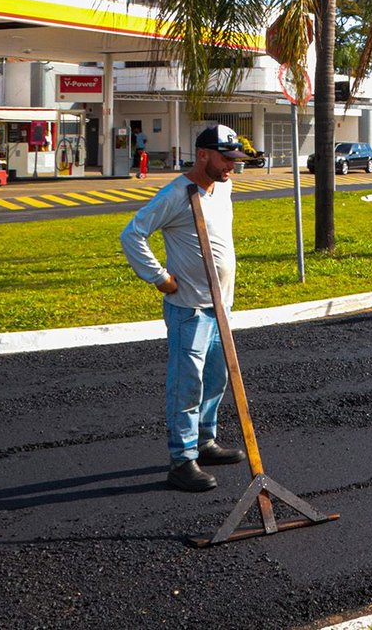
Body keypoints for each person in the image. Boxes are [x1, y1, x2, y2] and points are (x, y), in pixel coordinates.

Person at [119, 124, 249, 492]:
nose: (231, 167)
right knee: (186, 385)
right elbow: (133, 233)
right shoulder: (177, 194)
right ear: (203, 154)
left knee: (215, 380)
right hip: (189, 309)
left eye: (234, 160)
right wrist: (160, 278)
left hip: (220, 307)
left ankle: (204, 442)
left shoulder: (223, 187)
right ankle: (181, 459)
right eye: (225, 159)